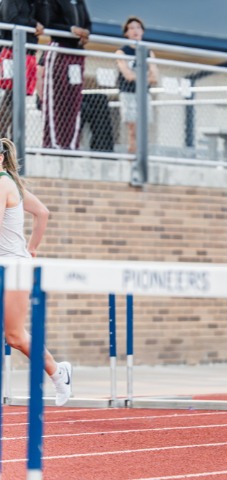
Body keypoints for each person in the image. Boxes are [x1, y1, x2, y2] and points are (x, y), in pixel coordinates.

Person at [0, 137, 72, 406]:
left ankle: (58, 372)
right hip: (12, 262)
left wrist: (28, 251)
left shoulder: (3, 183)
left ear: (0, 158)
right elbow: (42, 212)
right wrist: (32, 247)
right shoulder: (12, 183)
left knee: (15, 336)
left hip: (13, 269)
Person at [41, 0, 91, 150]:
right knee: (56, 99)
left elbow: (88, 23)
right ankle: (53, 143)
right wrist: (71, 29)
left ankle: (70, 144)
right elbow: (48, 23)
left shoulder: (79, 2)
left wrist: (86, 33)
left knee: (74, 101)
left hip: (76, 52)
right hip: (60, 49)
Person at [0, 0, 45, 137]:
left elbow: (45, 21)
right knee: (11, 95)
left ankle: (14, 138)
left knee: (18, 97)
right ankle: (7, 137)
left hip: (28, 53)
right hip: (10, 52)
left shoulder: (34, 3)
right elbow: (10, 18)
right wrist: (33, 24)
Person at [115, 16, 159, 154]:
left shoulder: (148, 52)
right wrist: (145, 76)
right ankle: (132, 157)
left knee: (144, 128)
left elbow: (154, 76)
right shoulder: (122, 52)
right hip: (128, 93)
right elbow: (127, 75)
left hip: (144, 94)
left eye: (138, 27)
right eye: (132, 28)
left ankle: (142, 155)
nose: (135, 31)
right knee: (133, 129)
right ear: (126, 33)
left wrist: (138, 76)